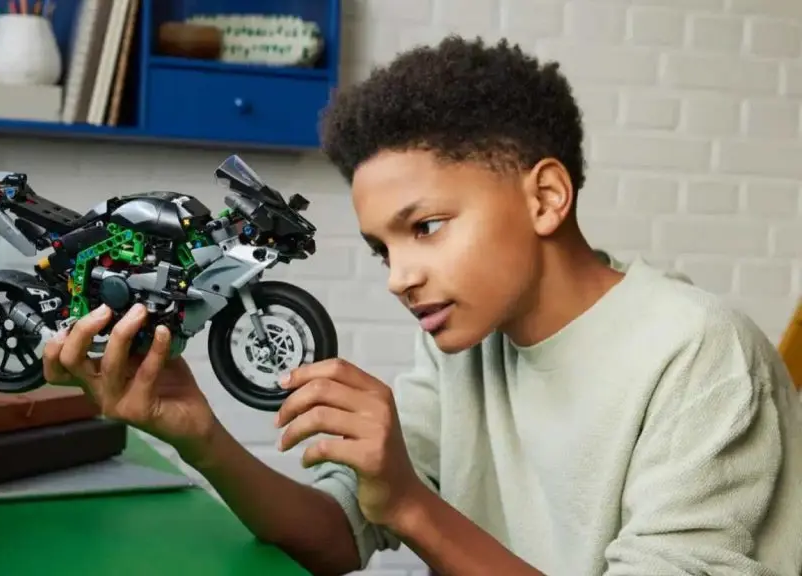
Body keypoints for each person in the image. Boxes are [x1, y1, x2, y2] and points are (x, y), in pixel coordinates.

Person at [41, 35, 802, 576]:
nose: (400, 278)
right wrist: (199, 434)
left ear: (545, 196)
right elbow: (338, 536)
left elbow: (394, 508)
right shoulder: (463, 344)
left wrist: (406, 500)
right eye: (383, 249)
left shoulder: (701, 354)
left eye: (426, 228)